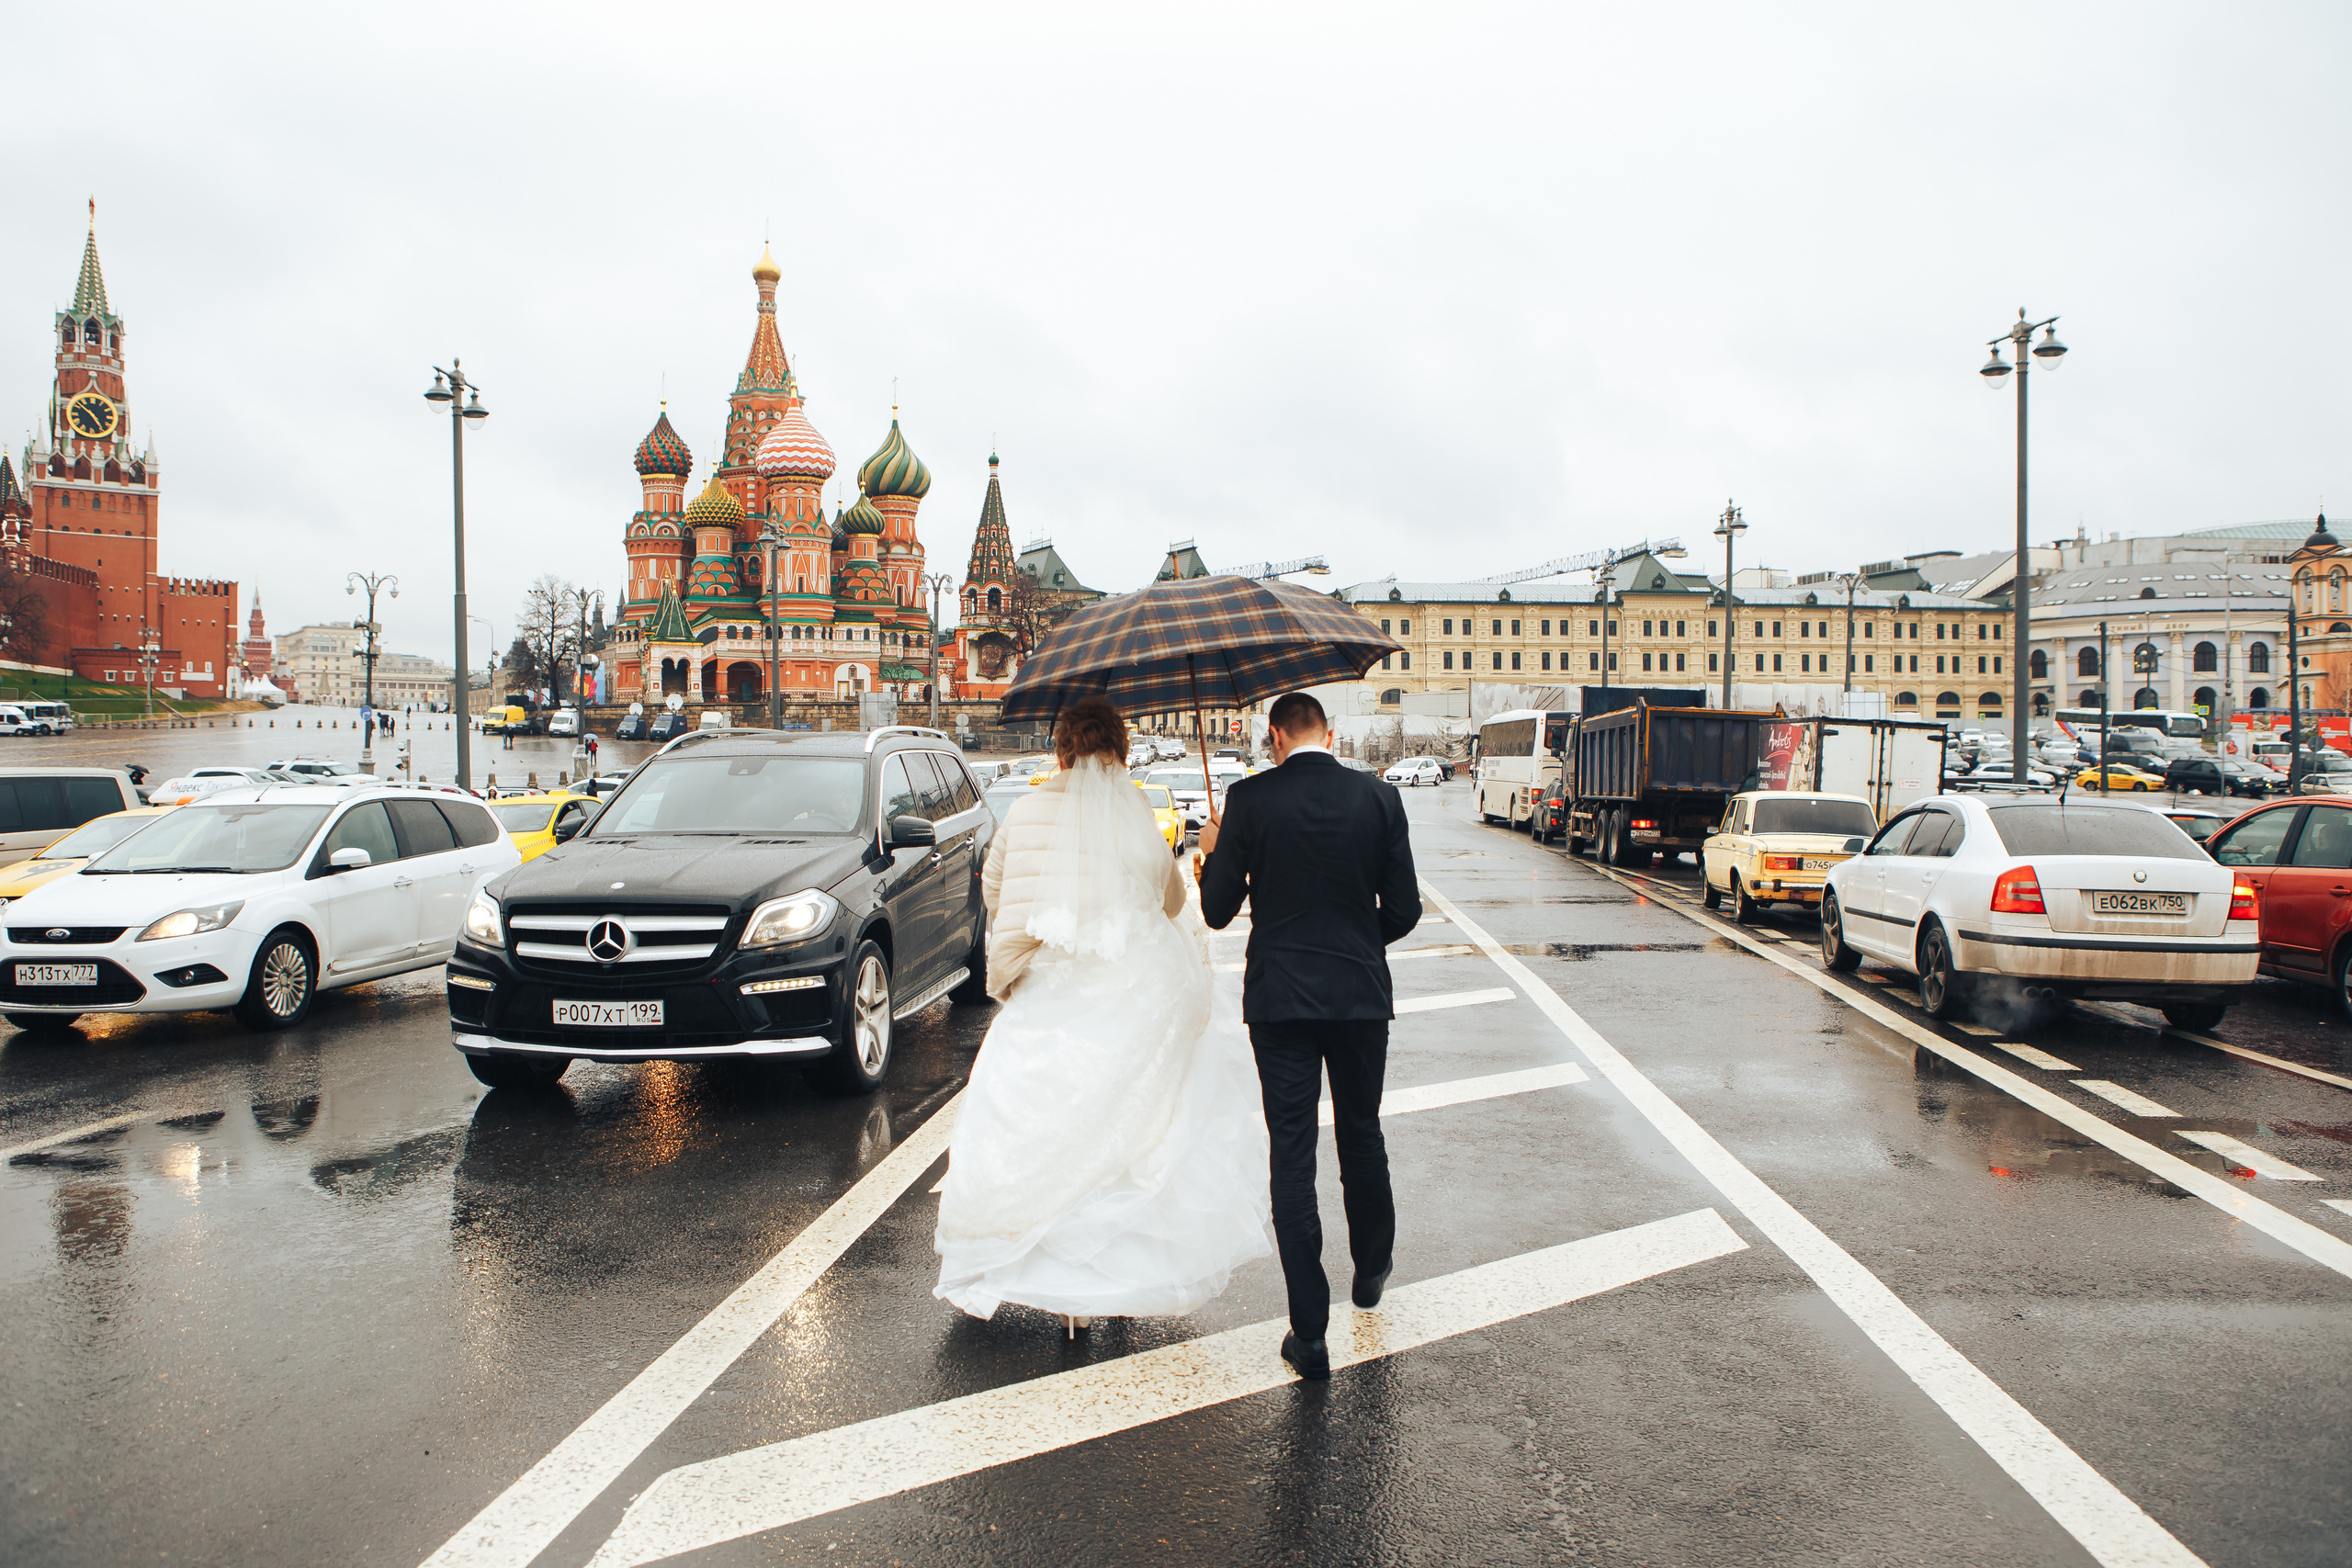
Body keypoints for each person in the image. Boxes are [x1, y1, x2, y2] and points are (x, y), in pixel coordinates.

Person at [934, 696, 1271, 1334]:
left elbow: (997, 891)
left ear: (1062, 749)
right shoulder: (1135, 808)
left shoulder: (1028, 810)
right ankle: (1110, 1276)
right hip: (1125, 992)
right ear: (1118, 749)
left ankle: (1056, 1291)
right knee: (1128, 1129)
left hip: (1049, 993)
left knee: (1043, 1126)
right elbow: (1169, 898)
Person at [1198, 690, 1420, 1381]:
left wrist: (1212, 853)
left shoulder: (1249, 801)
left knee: (1292, 1153)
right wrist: (1356, 939)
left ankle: (1310, 1332)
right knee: (1362, 1132)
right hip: (1358, 994)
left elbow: (1216, 912)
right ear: (1330, 731)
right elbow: (1406, 909)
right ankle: (1372, 1266)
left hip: (1281, 999)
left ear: (1274, 736)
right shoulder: (1378, 799)